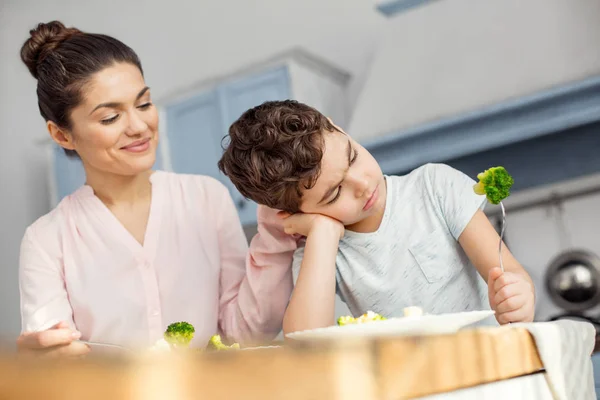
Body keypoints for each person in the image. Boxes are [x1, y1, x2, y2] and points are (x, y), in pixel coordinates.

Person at [16, 21, 294, 357]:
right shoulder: (46, 240)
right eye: (109, 118)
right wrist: (46, 361)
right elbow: (59, 356)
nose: (139, 126)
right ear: (62, 135)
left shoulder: (206, 198)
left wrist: (277, 238)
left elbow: (245, 332)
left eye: (144, 104)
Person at [218, 100, 536, 335]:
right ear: (301, 212)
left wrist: (518, 295)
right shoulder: (324, 253)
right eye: (334, 193)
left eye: (352, 157)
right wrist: (323, 234)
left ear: (338, 128)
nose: (362, 184)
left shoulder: (435, 187)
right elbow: (306, 343)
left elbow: (511, 273)